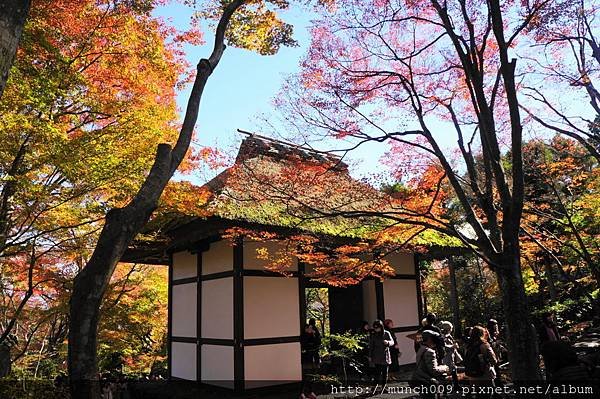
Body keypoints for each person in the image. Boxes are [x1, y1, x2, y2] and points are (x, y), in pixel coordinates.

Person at [411, 330, 449, 398]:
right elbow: (433, 370)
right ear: (429, 339)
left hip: (421, 378)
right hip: (427, 381)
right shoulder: (430, 352)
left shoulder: (421, 348)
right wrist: (444, 368)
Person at [368, 319, 395, 395]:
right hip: (376, 356)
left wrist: (388, 342)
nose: (376, 329)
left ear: (381, 327)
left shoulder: (387, 333)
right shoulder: (373, 335)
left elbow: (392, 342)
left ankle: (384, 387)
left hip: (385, 356)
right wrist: (370, 356)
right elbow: (371, 346)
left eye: (377, 327)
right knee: (377, 373)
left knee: (385, 374)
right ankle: (374, 388)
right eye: (375, 328)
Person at [439, 321, 461, 388]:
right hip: (447, 356)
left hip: (451, 355)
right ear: (448, 329)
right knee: (448, 371)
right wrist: (452, 346)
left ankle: (455, 385)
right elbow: (443, 346)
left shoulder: (449, 336)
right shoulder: (443, 336)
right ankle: (448, 386)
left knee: (454, 370)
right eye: (451, 328)